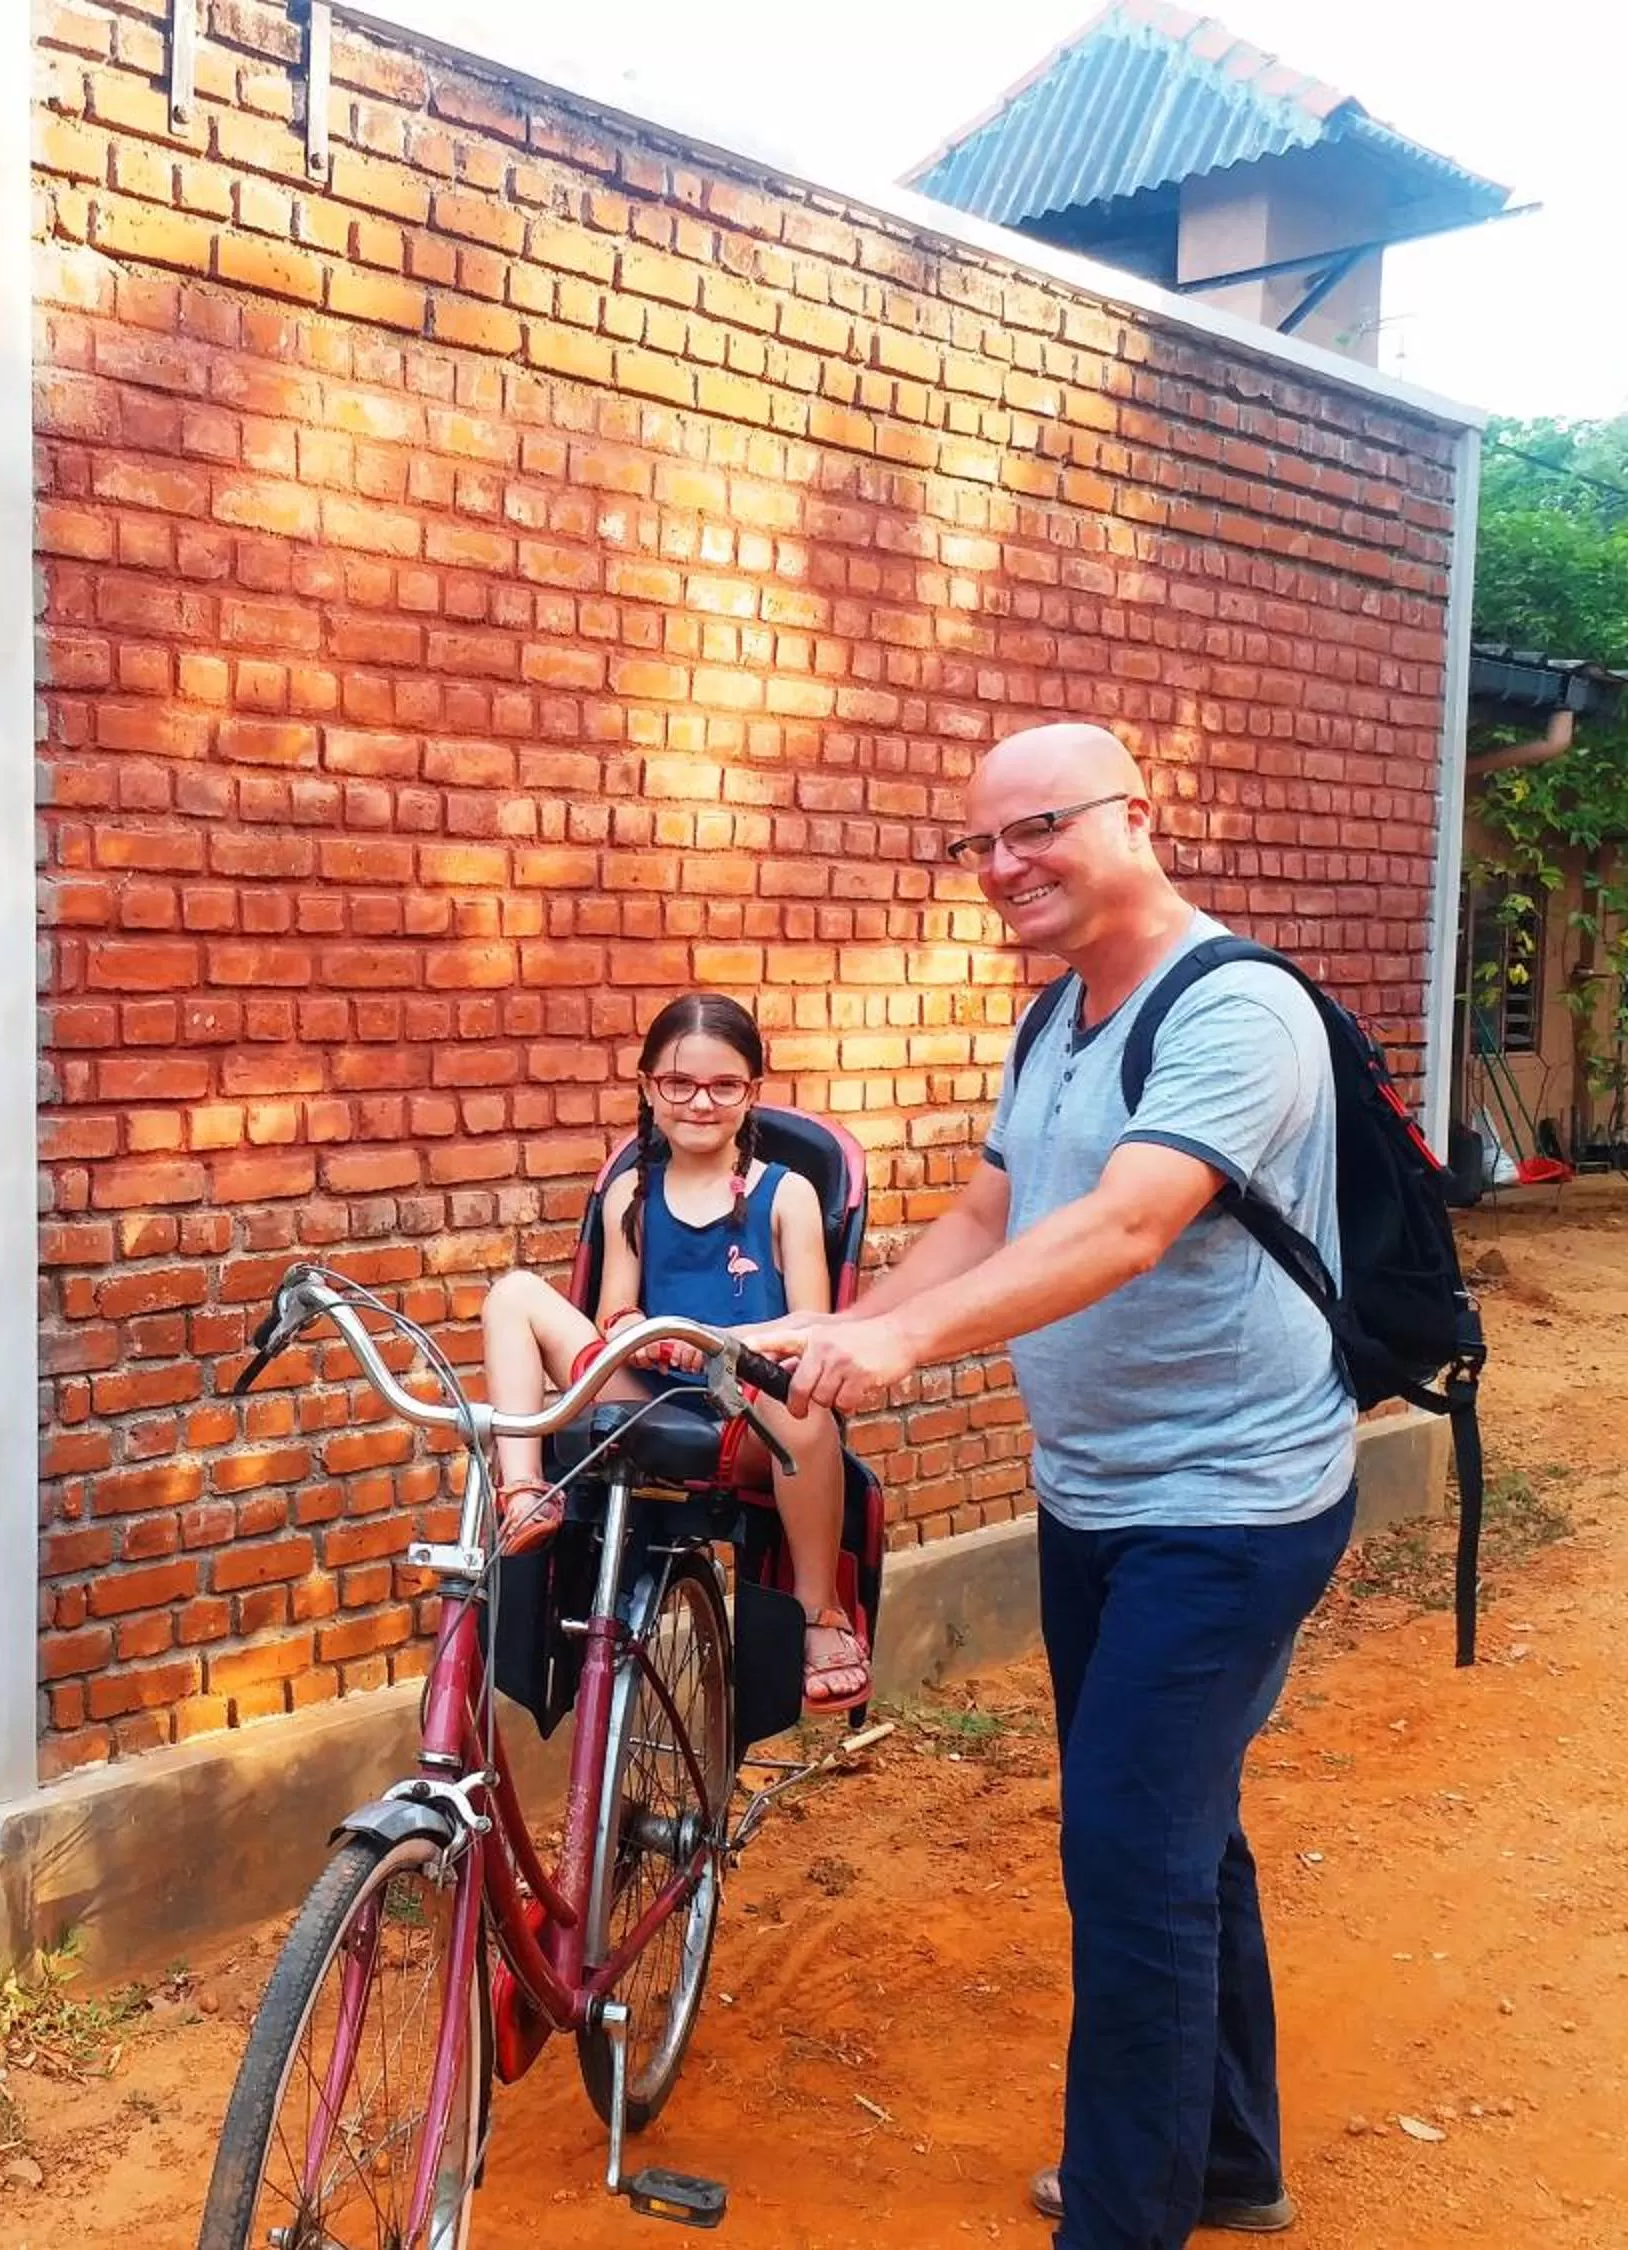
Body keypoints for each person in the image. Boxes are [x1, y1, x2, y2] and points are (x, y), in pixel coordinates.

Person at [735, 722, 1354, 2250]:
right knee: (1174, 1829)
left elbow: (1131, 1223)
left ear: (1139, 815)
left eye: (1040, 828)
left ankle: (1128, 2217)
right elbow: (991, 1211)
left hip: (1230, 1505)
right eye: (982, 842)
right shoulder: (1059, 1016)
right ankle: (1228, 2157)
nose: (1005, 865)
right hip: (1099, 1497)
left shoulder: (1239, 1007)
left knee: (1130, 1854)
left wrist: (909, 1343)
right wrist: (842, 1324)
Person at [480, 991, 869, 1713]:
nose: (700, 1103)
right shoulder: (631, 1192)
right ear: (648, 1088)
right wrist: (643, 1330)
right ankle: (526, 1492)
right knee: (513, 1294)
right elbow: (613, 1313)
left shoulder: (786, 1195)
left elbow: (812, 1324)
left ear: (751, 1092)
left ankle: (819, 1613)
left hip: (746, 1416)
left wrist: (719, 1343)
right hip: (644, 1396)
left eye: (724, 1085)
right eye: (679, 1084)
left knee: (804, 1410)